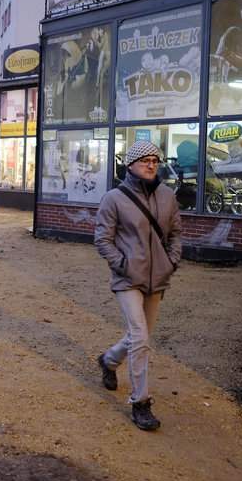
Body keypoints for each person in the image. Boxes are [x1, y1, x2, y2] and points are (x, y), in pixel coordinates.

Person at [94, 141, 182, 431]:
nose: (151, 164)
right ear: (130, 164)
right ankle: (140, 403)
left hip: (158, 278)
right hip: (128, 278)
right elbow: (102, 239)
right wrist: (122, 264)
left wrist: (171, 261)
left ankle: (109, 360)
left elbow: (176, 234)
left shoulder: (168, 196)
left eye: (155, 159)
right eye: (144, 160)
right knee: (140, 337)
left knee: (138, 337)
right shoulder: (114, 198)